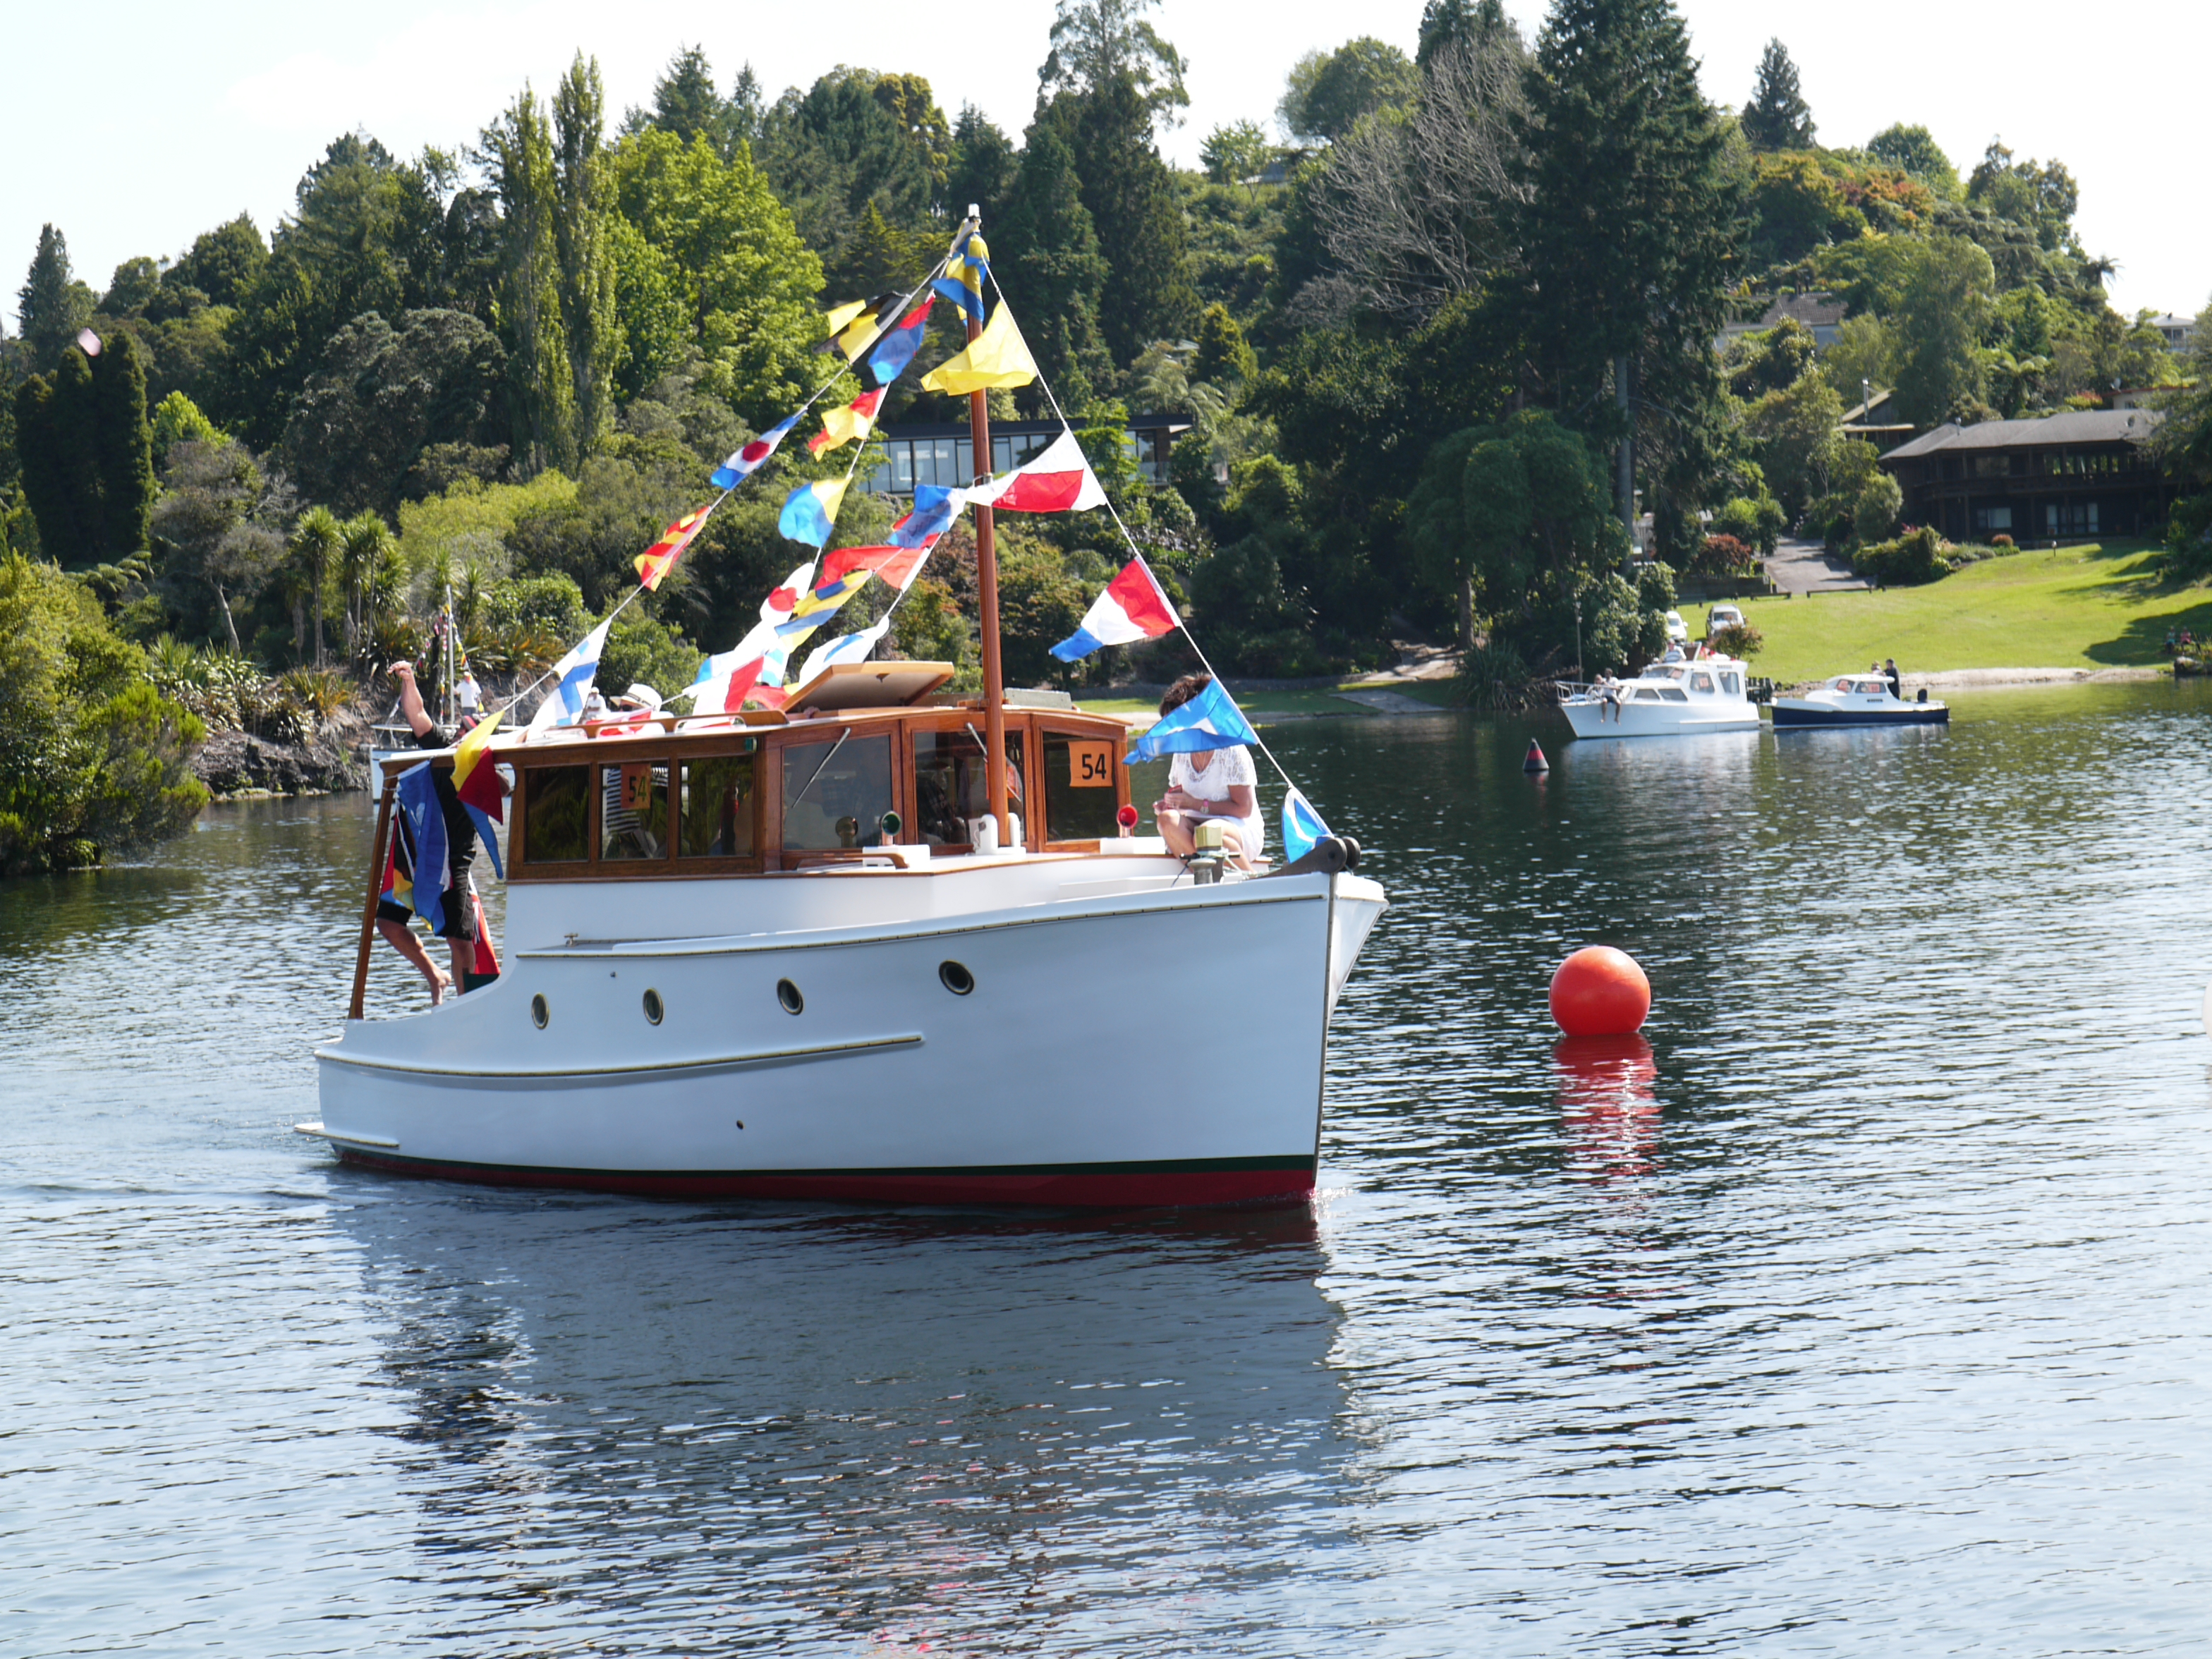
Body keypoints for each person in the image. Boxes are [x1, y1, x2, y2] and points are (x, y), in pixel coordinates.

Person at [377, 661, 489, 1004]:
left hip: (453, 860)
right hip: (419, 853)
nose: (459, 739)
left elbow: (504, 789)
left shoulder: (485, 768)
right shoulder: (442, 748)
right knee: (387, 923)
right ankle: (435, 977)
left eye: (467, 737)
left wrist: (484, 772)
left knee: (460, 940)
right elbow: (417, 715)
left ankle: (466, 1006)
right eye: (460, 735)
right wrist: (409, 680)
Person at [1150, 674, 1264, 870]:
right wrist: (1171, 805)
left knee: (1206, 834)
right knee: (1166, 820)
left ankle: (1252, 879)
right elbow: (1182, 800)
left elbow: (1244, 810)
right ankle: (1204, 876)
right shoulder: (1181, 753)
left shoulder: (1230, 749)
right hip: (1197, 826)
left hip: (1238, 827)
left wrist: (1195, 804)